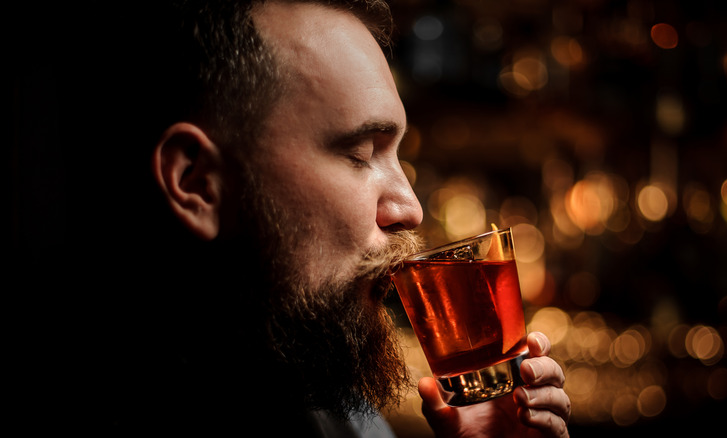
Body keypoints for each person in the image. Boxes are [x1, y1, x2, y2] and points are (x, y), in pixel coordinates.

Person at [57, 0, 570, 436]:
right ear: (198, 182)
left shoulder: (335, 401)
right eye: (361, 153)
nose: (410, 209)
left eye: (398, 156)